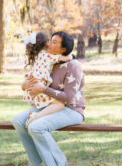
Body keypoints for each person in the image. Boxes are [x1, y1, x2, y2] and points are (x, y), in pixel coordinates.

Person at [12, 31, 86, 166]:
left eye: (54, 42)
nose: (49, 44)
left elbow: (69, 98)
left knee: (35, 127)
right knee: (17, 120)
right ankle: (35, 162)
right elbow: (35, 79)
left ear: (63, 49)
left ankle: (59, 163)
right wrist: (26, 84)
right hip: (51, 106)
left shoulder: (73, 66)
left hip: (71, 110)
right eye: (50, 40)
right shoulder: (49, 60)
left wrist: (43, 89)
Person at [22, 32, 72, 128]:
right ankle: (35, 116)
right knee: (60, 105)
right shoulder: (47, 55)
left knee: (51, 104)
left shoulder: (37, 56)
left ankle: (36, 116)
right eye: (49, 41)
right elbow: (64, 58)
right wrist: (70, 57)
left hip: (33, 86)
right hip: (37, 86)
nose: (50, 43)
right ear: (45, 44)